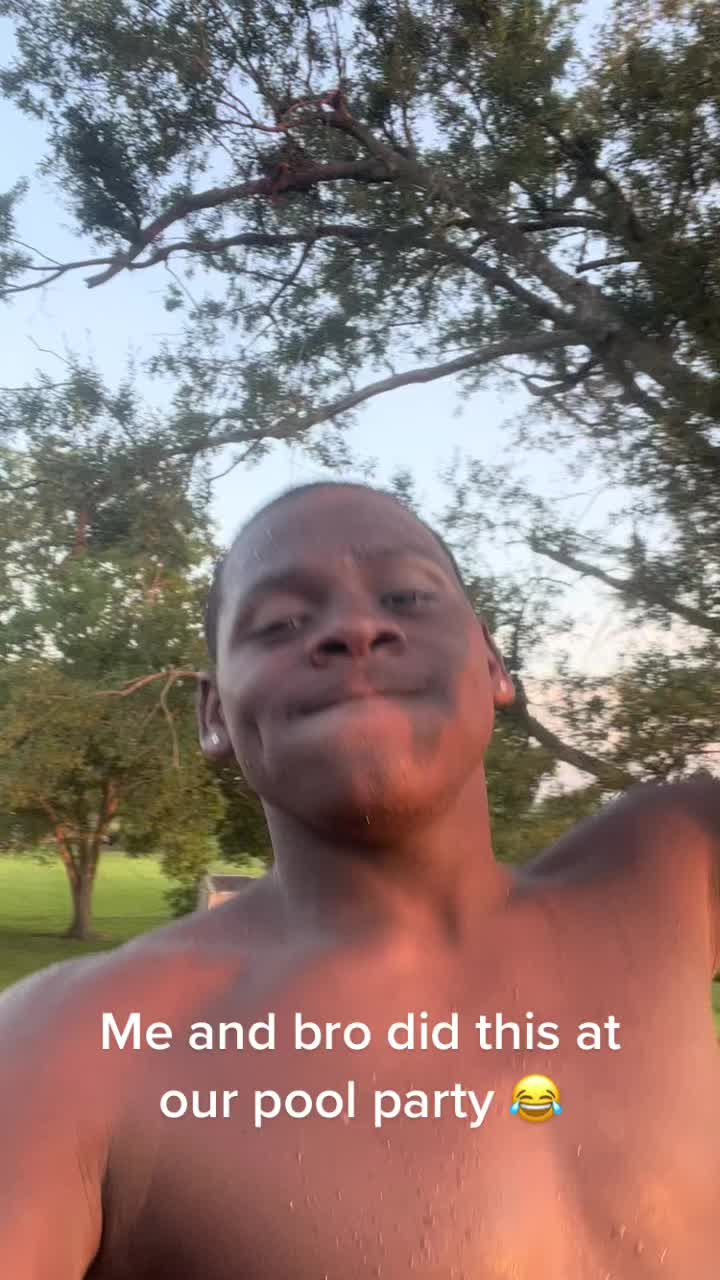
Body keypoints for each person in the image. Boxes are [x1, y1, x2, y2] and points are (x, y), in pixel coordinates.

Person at [1, 479, 718, 1280]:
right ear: (214, 715)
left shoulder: (674, 868)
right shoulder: (70, 1047)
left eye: (406, 597)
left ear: (491, 663)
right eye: (280, 623)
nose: (355, 628)